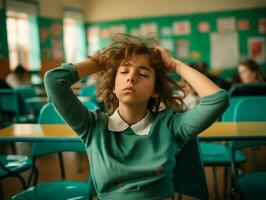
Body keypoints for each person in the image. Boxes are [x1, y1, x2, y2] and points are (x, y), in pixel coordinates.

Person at [44, 34, 229, 200]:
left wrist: (175, 65)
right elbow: (54, 80)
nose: (131, 78)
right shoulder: (92, 126)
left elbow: (218, 100)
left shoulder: (171, 125)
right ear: (113, 87)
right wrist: (101, 62)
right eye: (123, 72)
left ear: (155, 91)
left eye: (142, 74)